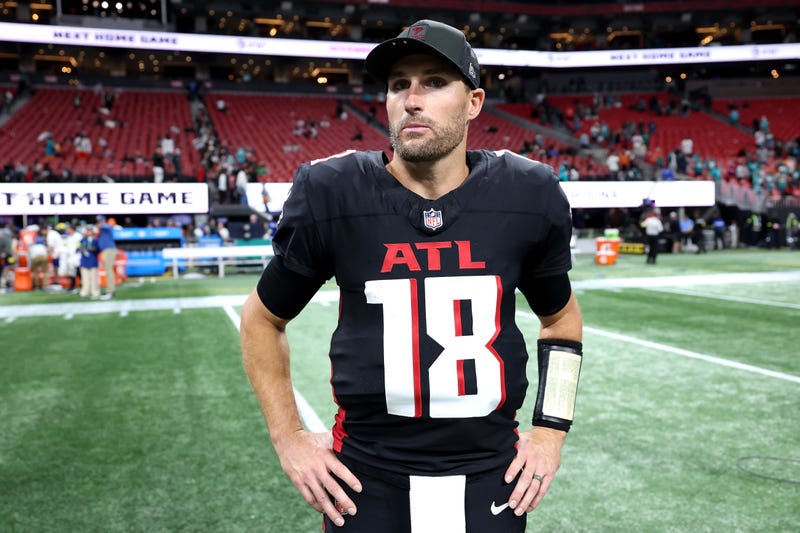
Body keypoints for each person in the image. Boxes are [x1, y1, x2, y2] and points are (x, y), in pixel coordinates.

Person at [240, 19, 583, 533]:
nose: (412, 99)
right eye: (399, 84)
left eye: (434, 82)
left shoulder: (528, 192)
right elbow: (262, 320)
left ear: (473, 102)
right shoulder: (331, 190)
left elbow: (562, 324)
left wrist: (550, 431)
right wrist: (288, 438)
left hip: (492, 475)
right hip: (364, 480)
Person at [96, 216, 118, 299]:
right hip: (105, 250)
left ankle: (111, 291)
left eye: (100, 221)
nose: (99, 222)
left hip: (109, 250)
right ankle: (110, 290)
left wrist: (102, 224)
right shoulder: (102, 229)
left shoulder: (106, 226)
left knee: (109, 271)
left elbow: (109, 226)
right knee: (107, 271)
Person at [79, 225, 100, 299]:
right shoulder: (83, 240)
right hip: (84, 261)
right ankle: (84, 292)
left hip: (93, 261)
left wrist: (94, 249)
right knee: (85, 279)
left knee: (94, 278)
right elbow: (78, 248)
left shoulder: (96, 240)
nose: (89, 232)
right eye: (88, 230)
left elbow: (98, 249)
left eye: (90, 230)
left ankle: (95, 292)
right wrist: (81, 249)